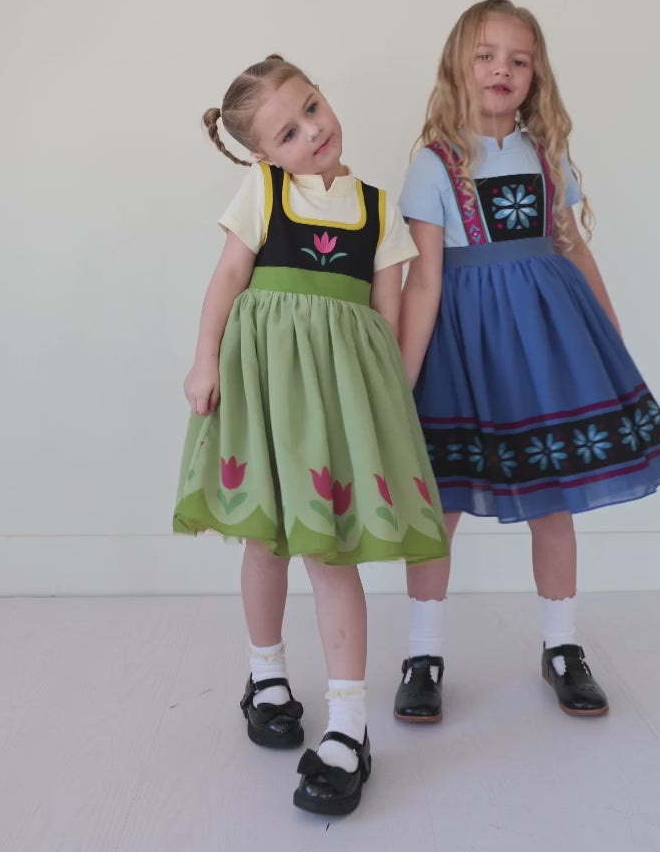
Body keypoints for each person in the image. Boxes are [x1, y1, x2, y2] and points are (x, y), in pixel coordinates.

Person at [393, 0, 660, 724]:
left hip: (546, 348)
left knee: (554, 499)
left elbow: (572, 248)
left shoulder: (545, 155)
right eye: (486, 55)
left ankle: (562, 646)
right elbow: (424, 280)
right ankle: (423, 655)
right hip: (463, 350)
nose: (502, 70)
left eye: (518, 60)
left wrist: (610, 335)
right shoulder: (434, 164)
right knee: (439, 507)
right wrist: (402, 378)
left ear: (535, 75)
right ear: (457, 66)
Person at [173, 54, 448, 815]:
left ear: (324, 97)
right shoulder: (264, 193)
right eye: (288, 134)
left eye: (313, 109)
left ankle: (349, 726)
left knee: (329, 551)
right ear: (265, 155)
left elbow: (387, 316)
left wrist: (388, 402)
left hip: (338, 405)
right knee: (266, 540)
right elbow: (228, 280)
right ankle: (267, 675)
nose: (312, 132)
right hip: (265, 391)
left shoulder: (378, 208)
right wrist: (205, 360)